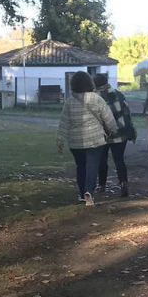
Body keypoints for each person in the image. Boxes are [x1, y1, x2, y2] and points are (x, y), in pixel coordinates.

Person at [57, 71, 118, 206]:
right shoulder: (97, 99)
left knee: (81, 166)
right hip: (95, 140)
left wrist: (60, 140)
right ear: (90, 83)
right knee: (92, 166)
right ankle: (89, 192)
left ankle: (81, 194)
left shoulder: (69, 102)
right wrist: (113, 130)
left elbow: (64, 122)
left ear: (73, 85)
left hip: (76, 142)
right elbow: (108, 118)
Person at [94, 73, 136, 197]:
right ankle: (123, 183)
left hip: (103, 134)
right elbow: (127, 113)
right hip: (120, 133)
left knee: (102, 160)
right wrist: (130, 130)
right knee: (119, 160)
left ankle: (101, 185)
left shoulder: (95, 97)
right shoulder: (119, 94)